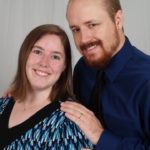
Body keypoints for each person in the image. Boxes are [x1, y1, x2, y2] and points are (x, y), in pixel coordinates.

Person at [60, 0, 150, 149]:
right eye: (76, 29)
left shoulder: (147, 80)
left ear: (118, 20)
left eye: (92, 25)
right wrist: (24, 93)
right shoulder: (83, 68)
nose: (83, 40)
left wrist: (101, 136)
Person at [0, 24, 93, 149]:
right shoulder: (2, 104)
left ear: (64, 66)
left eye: (55, 56)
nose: (44, 63)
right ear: (25, 55)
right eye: (37, 51)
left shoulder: (69, 122)